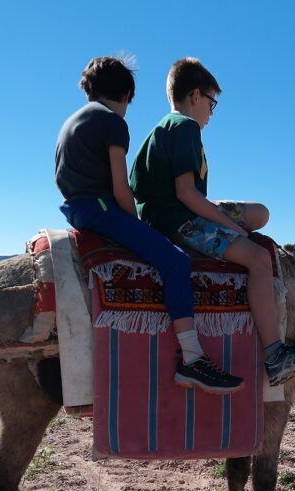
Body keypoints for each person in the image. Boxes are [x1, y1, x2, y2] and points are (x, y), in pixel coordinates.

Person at [130, 57, 295, 386]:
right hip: (177, 220)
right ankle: (275, 355)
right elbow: (187, 193)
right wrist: (231, 228)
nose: (212, 112)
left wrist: (230, 218)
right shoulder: (185, 127)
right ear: (195, 96)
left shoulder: (165, 128)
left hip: (174, 209)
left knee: (260, 213)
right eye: (211, 102)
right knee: (259, 259)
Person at [55, 56, 243, 394]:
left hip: (77, 209)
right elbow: (120, 188)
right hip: (102, 210)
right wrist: (136, 221)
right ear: (126, 94)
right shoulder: (112, 123)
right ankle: (193, 357)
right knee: (175, 261)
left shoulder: (72, 121)